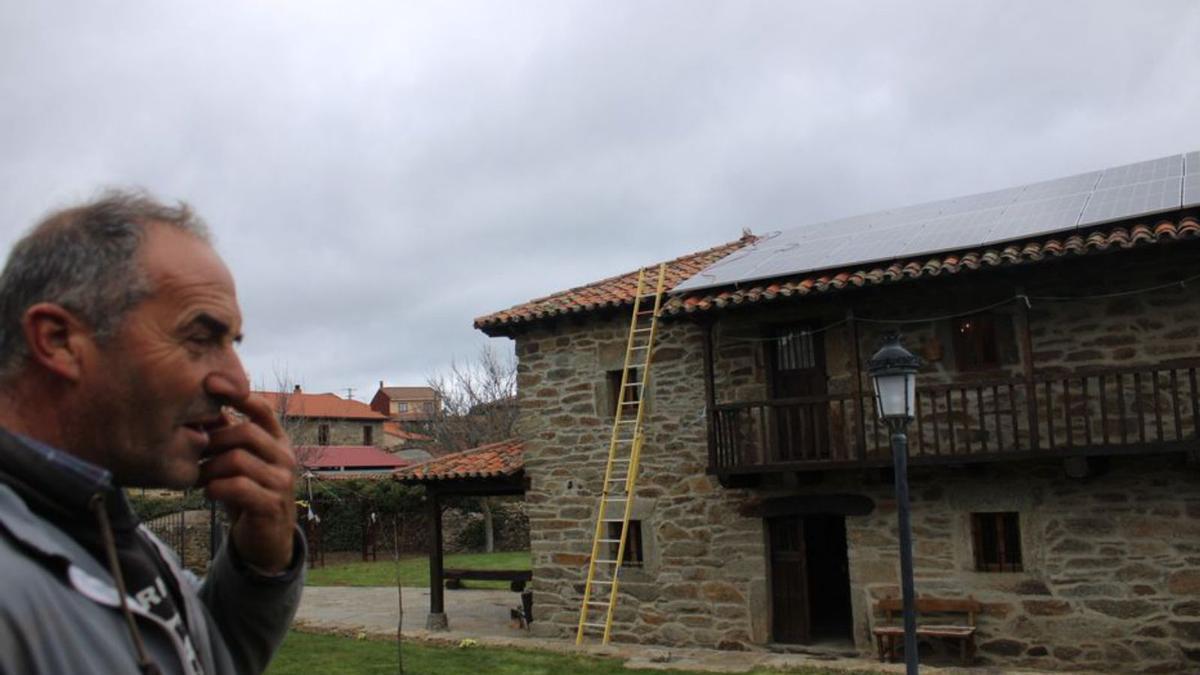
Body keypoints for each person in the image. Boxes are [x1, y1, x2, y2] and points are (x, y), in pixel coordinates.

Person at [0, 190, 304, 674]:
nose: (237, 384)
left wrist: (261, 561)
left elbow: (196, 659)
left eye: (232, 343)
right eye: (201, 338)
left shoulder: (100, 517)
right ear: (58, 340)